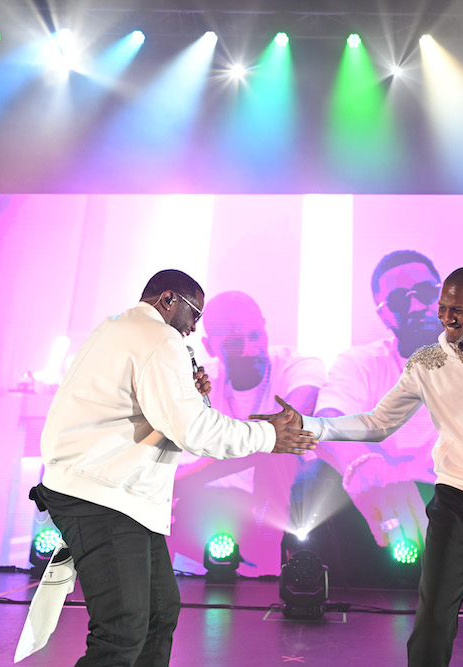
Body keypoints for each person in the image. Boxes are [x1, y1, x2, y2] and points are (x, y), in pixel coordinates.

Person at [255, 267, 463, 666]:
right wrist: (311, 425)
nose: (445, 317)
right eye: (443, 309)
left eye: (457, 309)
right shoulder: (428, 362)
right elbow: (377, 422)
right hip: (456, 504)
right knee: (432, 622)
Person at [34, 269, 316, 667]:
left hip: (119, 496)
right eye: (193, 314)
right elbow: (193, 431)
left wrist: (187, 393)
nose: (194, 327)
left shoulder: (119, 327)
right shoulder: (159, 337)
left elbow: (152, 413)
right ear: (168, 300)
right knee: (122, 631)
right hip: (103, 497)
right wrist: (269, 435)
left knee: (159, 612)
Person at [168, 291, 325, 576]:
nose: (250, 349)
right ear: (210, 346)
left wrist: (190, 478)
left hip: (287, 494)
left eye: (255, 336)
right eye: (234, 343)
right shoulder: (200, 382)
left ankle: (272, 565)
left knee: (279, 454)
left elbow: (287, 430)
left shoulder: (297, 366)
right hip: (221, 502)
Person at [315, 250, 443, 550]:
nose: (415, 306)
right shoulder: (362, 362)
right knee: (316, 478)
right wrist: (363, 466)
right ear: (383, 314)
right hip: (381, 513)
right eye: (399, 300)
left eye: (425, 292)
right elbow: (328, 422)